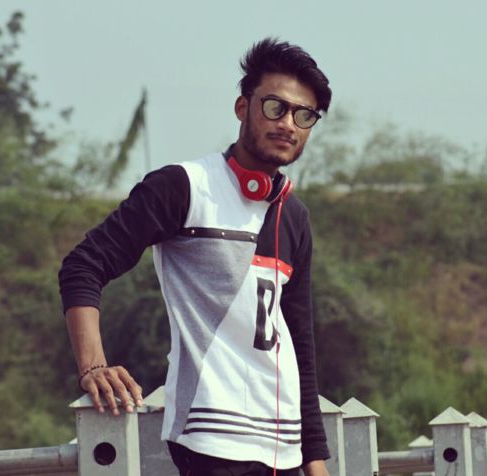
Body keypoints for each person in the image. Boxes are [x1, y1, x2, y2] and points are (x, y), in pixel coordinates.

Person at [58, 37, 332, 476]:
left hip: (284, 448)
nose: (288, 124)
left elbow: (299, 342)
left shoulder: (293, 215)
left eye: (304, 115)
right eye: (275, 107)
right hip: (212, 437)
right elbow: (84, 265)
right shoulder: (184, 187)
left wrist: (314, 462)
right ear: (242, 107)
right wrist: (93, 365)